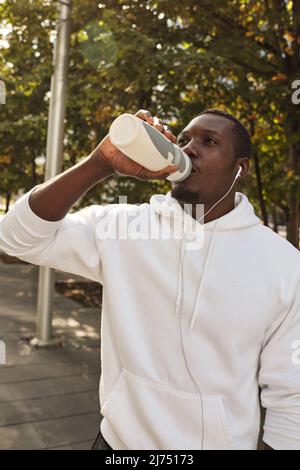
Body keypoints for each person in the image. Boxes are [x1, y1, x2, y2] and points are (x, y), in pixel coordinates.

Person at [0, 108, 299, 450]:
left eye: (209, 141)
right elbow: (16, 238)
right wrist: (100, 163)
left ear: (240, 168)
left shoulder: (282, 264)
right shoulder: (123, 228)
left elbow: (292, 393)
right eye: (184, 140)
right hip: (117, 446)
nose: (189, 149)